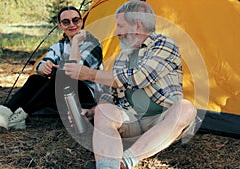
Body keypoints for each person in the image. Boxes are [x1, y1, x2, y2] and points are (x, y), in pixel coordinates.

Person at [64, 1, 197, 168]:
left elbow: (139, 78)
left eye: (120, 26)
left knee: (186, 109)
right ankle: (108, 166)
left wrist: (89, 74)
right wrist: (93, 112)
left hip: (161, 119)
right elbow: (111, 92)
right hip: (132, 119)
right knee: (103, 110)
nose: (117, 32)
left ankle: (125, 161)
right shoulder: (122, 56)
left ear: (138, 25)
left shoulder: (164, 44)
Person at [0, 6, 103, 132]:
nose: (72, 24)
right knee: (36, 78)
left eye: (76, 20)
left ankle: (22, 114)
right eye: (66, 22)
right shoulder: (59, 46)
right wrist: (43, 66)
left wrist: (76, 41)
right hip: (63, 95)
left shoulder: (92, 44)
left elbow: (76, 71)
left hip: (86, 96)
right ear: (60, 26)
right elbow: (44, 62)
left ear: (81, 22)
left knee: (63, 75)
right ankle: (5, 112)